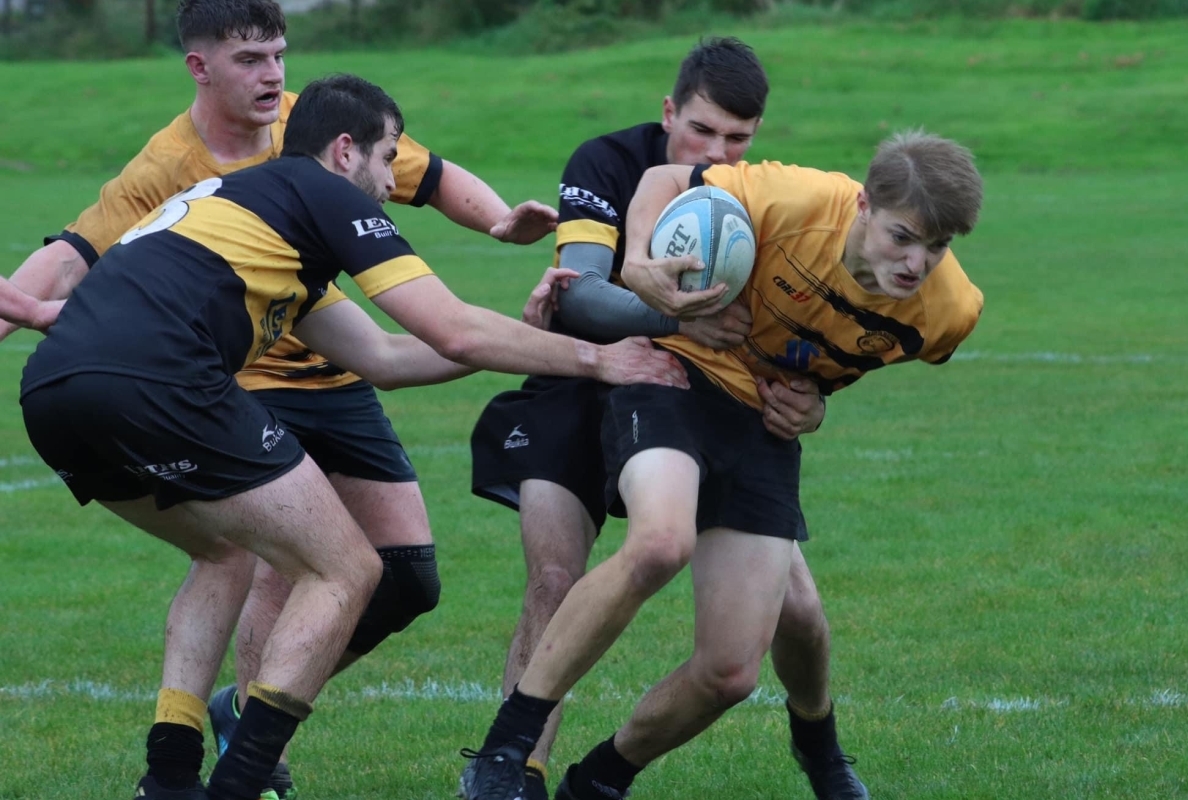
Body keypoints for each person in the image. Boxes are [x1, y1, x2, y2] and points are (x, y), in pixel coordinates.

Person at [18, 73, 687, 800]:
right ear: (345, 151)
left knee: (221, 552)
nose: (393, 180)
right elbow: (451, 328)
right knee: (347, 570)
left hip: (53, 391)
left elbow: (387, 359)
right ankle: (240, 783)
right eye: (388, 156)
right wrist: (600, 358)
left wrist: (531, 336)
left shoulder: (256, 217)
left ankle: (171, 775)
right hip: (160, 377)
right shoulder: (324, 194)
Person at [479, 129, 983, 800]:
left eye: (937, 246)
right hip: (677, 376)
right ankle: (505, 749)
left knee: (730, 673)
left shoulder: (950, 313)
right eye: (903, 237)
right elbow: (663, 179)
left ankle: (599, 780)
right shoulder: (794, 200)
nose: (917, 263)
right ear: (864, 205)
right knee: (659, 543)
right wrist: (640, 265)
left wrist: (817, 407)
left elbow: (843, 352)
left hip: (760, 423)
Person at [464, 38, 862, 800]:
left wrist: (813, 401)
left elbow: (806, 337)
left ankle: (819, 743)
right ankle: (517, 774)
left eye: (737, 138)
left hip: (692, 394)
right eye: (701, 130)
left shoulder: (760, 197)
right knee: (554, 576)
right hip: (580, 378)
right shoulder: (607, 163)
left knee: (801, 612)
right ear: (669, 111)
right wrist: (674, 318)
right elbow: (580, 296)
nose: (716, 151)